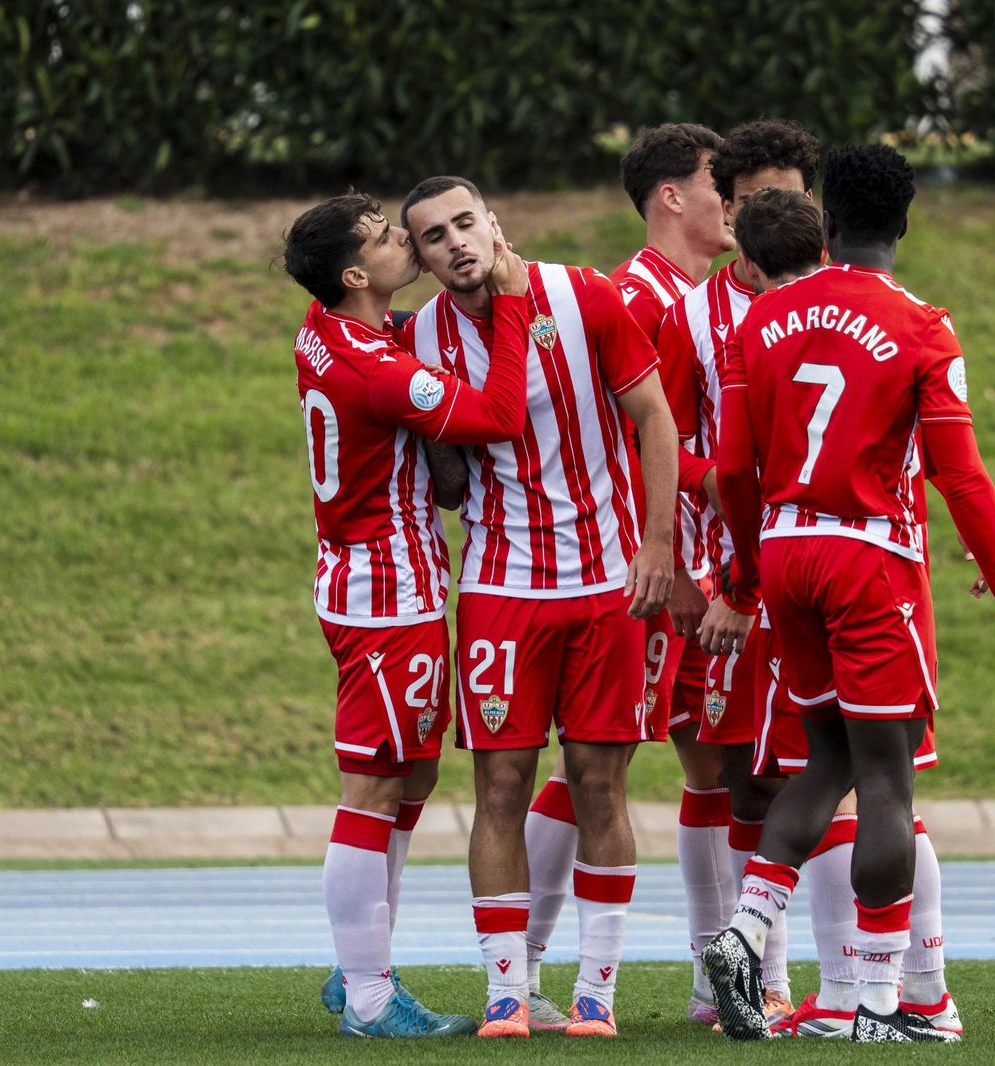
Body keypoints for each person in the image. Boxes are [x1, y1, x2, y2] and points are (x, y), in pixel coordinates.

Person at [703, 145, 995, 1043]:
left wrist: (743, 576)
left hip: (784, 555)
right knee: (888, 779)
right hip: (867, 558)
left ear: (829, 216)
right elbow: (959, 476)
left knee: (827, 760)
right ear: (903, 220)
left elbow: (734, 468)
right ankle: (887, 1008)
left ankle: (744, 928)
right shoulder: (922, 324)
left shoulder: (762, 319)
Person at [403, 175, 680, 1038]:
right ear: (417, 258)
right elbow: (450, 479)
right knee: (500, 787)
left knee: (600, 786)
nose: (454, 242)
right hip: (499, 589)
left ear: (493, 224)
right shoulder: (420, 335)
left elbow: (655, 419)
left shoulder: (584, 293)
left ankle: (597, 992)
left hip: (606, 586)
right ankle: (506, 991)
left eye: (463, 223)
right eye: (432, 237)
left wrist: (659, 545)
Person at [283, 192, 533, 1038]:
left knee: (411, 778)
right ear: (355, 274)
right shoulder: (375, 365)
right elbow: (497, 417)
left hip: (379, 579)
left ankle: (362, 963)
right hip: (387, 593)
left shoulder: (332, 335)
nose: (407, 244)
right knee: (375, 787)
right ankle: (368, 994)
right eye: (389, 239)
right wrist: (517, 306)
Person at [518, 122, 737, 1030]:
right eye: (718, 182)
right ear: (673, 197)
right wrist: (681, 546)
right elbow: (625, 442)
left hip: (709, 570)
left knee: (713, 765)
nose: (732, 201)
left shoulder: (714, 290)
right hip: (654, 576)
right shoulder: (631, 297)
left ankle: (711, 975)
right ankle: (522, 965)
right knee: (594, 766)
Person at [656, 118, 821, 1030]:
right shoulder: (695, 312)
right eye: (754, 198)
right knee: (726, 774)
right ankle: (717, 971)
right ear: (728, 205)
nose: (768, 215)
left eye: (787, 198)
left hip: (819, 575)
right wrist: (717, 511)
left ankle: (843, 977)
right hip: (729, 581)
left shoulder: (849, 299)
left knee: (823, 769)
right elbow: (668, 439)